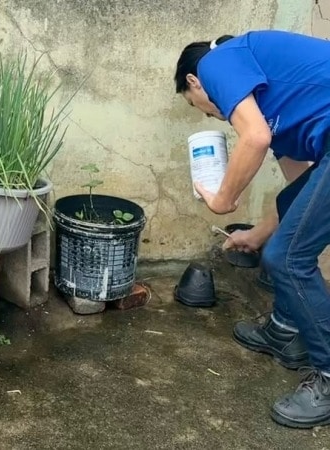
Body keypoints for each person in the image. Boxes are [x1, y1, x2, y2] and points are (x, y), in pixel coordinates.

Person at [174, 29, 330, 428]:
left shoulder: (216, 62)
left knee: (288, 259)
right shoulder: (281, 112)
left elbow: (254, 138)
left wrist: (222, 200)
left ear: (195, 81)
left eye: (206, 110)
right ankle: (285, 329)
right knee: (284, 228)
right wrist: (256, 235)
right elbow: (300, 193)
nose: (219, 116)